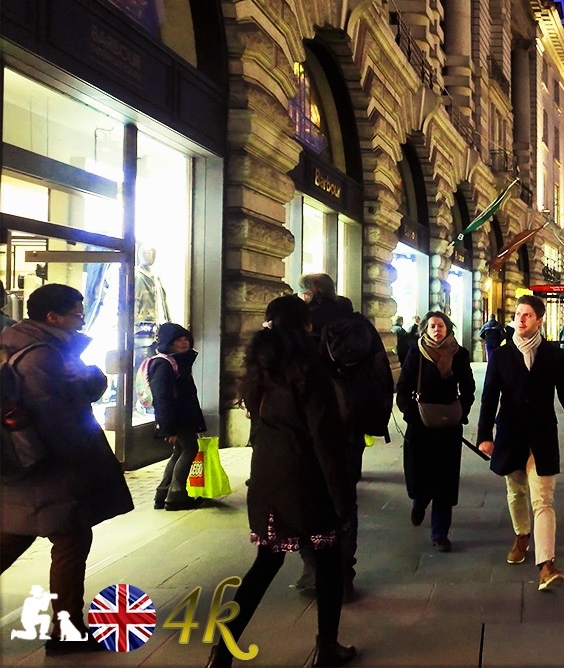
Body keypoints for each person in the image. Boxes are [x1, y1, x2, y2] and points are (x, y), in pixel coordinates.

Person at [209, 295, 355, 667]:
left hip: (268, 477)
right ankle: (327, 647)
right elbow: (324, 435)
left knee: (265, 563)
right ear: (305, 325)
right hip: (307, 479)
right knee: (327, 562)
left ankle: (222, 650)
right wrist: (341, 496)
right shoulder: (308, 367)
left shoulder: (259, 367)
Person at [0, 283, 132, 655]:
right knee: (70, 540)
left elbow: (77, 390)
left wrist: (91, 379)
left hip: (22, 463)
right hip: (47, 467)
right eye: (76, 311)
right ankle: (67, 630)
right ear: (52, 317)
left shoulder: (18, 344)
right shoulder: (41, 355)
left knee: (19, 534)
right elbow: (57, 419)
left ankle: (68, 628)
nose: (81, 318)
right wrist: (82, 457)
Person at [477, 295, 564, 592]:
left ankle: (546, 565)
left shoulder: (552, 354)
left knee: (543, 500)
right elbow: (489, 397)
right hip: (511, 435)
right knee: (516, 492)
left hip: (541, 436)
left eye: (527, 315)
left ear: (539, 320)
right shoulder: (501, 355)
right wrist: (484, 435)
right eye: (518, 314)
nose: (520, 319)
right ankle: (522, 536)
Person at [297, 272, 392, 602]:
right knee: (345, 500)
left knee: (308, 498)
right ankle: (343, 575)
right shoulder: (359, 323)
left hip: (313, 428)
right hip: (351, 426)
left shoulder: (304, 325)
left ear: (310, 293)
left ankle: (313, 567)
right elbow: (381, 373)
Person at [396, 311, 475, 551]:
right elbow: (403, 386)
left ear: (448, 328)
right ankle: (419, 503)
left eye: (440, 326)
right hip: (420, 424)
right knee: (419, 475)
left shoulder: (459, 354)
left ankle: (440, 533)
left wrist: (462, 411)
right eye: (432, 326)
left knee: (445, 479)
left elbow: (468, 386)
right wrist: (410, 413)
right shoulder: (416, 353)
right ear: (425, 329)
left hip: (448, 425)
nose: (436, 330)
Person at [147, 323, 208, 511]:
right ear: (168, 343)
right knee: (190, 448)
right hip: (178, 418)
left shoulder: (175, 361)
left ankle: (164, 492)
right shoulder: (164, 364)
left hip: (181, 416)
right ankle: (176, 495)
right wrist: (168, 428)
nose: (183, 343)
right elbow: (162, 397)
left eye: (185, 339)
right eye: (178, 340)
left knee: (180, 451)